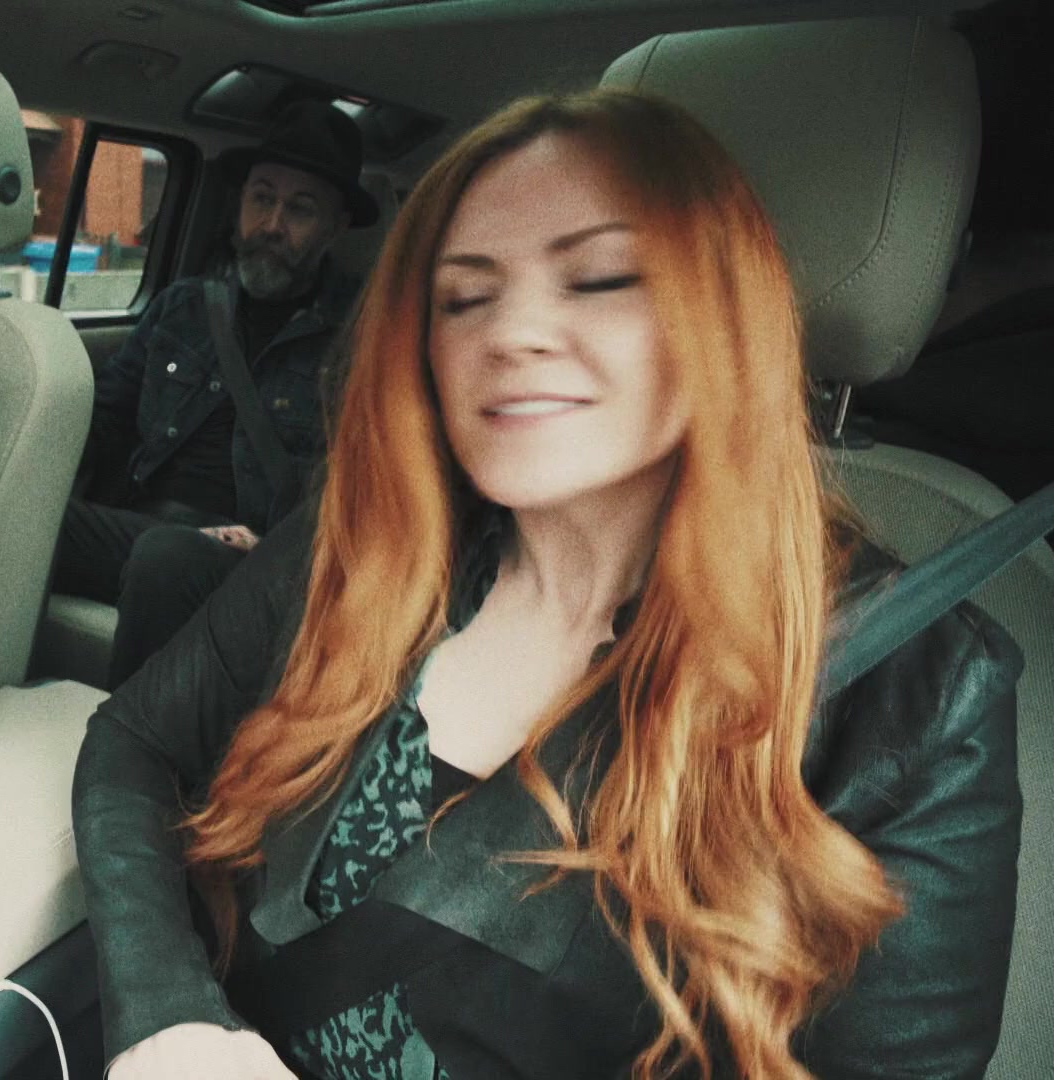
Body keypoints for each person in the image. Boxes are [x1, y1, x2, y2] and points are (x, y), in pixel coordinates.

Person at [71, 89, 1021, 1080]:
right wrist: (166, 1013)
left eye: (602, 278)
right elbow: (136, 741)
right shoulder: (368, 546)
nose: (512, 332)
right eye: (464, 297)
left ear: (723, 312)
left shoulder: (909, 692)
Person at [53, 100, 374, 687]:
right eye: (262, 198)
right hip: (142, 527)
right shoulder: (183, 306)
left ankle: (130, 738)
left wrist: (280, 544)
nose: (272, 224)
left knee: (167, 559)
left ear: (335, 227)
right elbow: (106, 420)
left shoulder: (364, 336)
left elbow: (362, 481)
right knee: (13, 514)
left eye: (300, 209)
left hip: (254, 554)